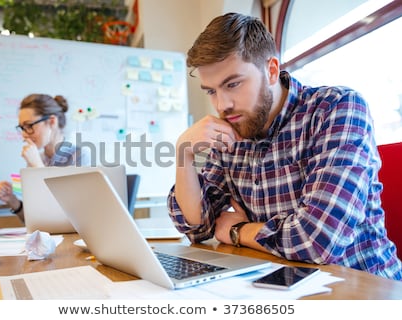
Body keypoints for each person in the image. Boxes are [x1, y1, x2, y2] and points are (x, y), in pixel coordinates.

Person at [167, 13, 402, 280]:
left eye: (233, 84)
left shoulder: (336, 109)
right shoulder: (233, 127)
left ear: (271, 70)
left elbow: (316, 241)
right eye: (211, 91)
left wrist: (238, 231)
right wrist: (183, 154)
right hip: (282, 284)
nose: (222, 105)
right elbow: (198, 227)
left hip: (363, 288)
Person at [0, 93, 90, 222]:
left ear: (52, 121)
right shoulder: (38, 158)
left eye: (29, 126)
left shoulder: (80, 156)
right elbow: (35, 220)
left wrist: (38, 167)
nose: (24, 135)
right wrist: (12, 201)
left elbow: (68, 218)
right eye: (22, 128)